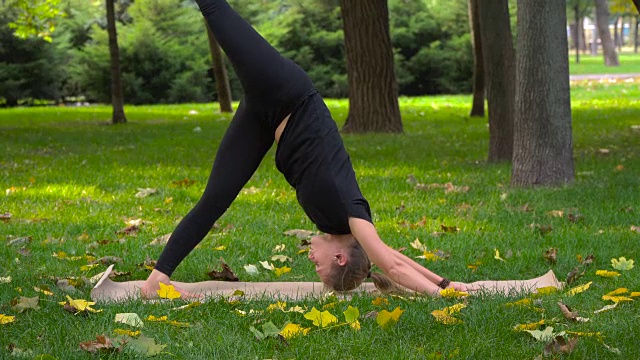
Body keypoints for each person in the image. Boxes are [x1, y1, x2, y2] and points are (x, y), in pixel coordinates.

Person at [140, 0, 557, 299]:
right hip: (286, 91)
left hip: (265, 119)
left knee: (216, 198)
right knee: (214, 8)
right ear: (341, 258)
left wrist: (446, 281)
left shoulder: (348, 229)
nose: (311, 262)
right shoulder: (355, 217)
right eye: (321, 267)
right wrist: (448, 297)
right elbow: (391, 265)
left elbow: (394, 261)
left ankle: (158, 277)